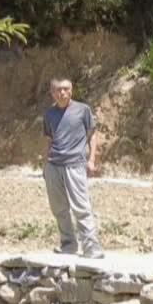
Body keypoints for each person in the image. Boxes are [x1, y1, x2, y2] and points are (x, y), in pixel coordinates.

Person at [41, 77, 103, 258]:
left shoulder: (83, 110)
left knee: (81, 207)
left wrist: (91, 160)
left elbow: (92, 134)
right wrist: (45, 164)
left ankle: (91, 247)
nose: (62, 93)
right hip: (54, 165)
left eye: (66, 89)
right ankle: (68, 244)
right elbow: (49, 140)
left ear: (71, 90)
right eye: (58, 90)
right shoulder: (49, 114)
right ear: (52, 93)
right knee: (59, 208)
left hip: (75, 164)